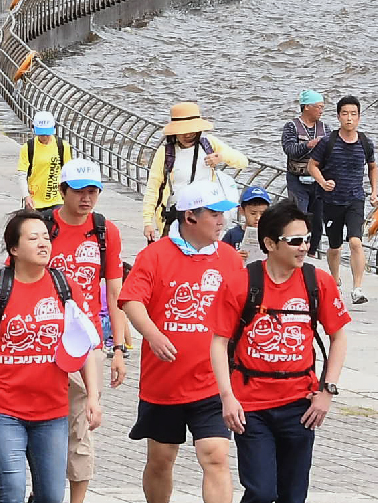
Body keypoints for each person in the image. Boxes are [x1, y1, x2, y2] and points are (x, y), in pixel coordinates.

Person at [0, 208, 105, 503]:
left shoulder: (64, 288)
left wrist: (93, 398)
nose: (43, 243)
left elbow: (82, 345)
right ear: (14, 249)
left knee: (50, 496)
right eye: (33, 238)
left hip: (52, 411)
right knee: (13, 486)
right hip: (2, 408)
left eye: (46, 237)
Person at [211, 200, 351, 503]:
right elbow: (219, 342)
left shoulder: (318, 282)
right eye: (295, 241)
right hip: (251, 407)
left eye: (308, 239)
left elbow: (339, 337)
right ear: (270, 243)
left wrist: (327, 391)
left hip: (300, 406)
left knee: (292, 496)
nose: (304, 247)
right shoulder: (242, 282)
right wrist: (227, 397)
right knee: (261, 492)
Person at [121, 178, 244, 503]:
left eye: (224, 214)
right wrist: (153, 334)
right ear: (190, 217)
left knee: (215, 454)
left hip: (212, 382)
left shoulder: (231, 259)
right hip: (164, 384)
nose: (222, 221)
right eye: (214, 214)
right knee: (161, 459)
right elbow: (132, 300)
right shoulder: (156, 254)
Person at [44, 159, 127, 503]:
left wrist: (118, 348)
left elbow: (115, 292)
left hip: (87, 341)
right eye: (79, 191)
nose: (87, 198)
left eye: (93, 191)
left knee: (81, 426)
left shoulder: (105, 230)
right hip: (44, 337)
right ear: (63, 191)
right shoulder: (42, 226)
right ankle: (44, 490)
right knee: (44, 421)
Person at [299, 94, 377, 304]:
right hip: (331, 200)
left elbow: (372, 167)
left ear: (359, 117)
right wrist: (323, 182)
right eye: (345, 114)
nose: (349, 118)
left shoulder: (365, 142)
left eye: (353, 114)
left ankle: (358, 288)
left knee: (355, 242)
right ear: (338, 117)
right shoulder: (328, 142)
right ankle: (334, 281)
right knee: (334, 247)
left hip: (355, 199)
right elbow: (312, 165)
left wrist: (374, 192)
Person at [140, 101, 247, 243]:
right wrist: (148, 222)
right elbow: (153, 188)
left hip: (207, 213)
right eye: (182, 131)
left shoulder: (209, 144)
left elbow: (242, 162)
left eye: (191, 131)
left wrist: (221, 157)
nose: (187, 135)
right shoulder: (165, 153)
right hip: (176, 216)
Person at [277, 90, 327, 250]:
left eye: (322, 107)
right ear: (307, 107)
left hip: (318, 181)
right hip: (297, 180)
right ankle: (296, 246)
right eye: (318, 107)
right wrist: (309, 144)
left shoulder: (326, 128)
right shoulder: (291, 127)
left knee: (318, 221)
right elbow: (289, 149)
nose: (321, 110)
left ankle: (312, 252)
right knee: (299, 216)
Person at [17, 111, 71, 211]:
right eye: (41, 134)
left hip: (57, 200)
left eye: (47, 134)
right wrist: (26, 196)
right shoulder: (28, 148)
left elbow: (68, 172)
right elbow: (22, 174)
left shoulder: (63, 146)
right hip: (35, 201)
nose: (44, 137)